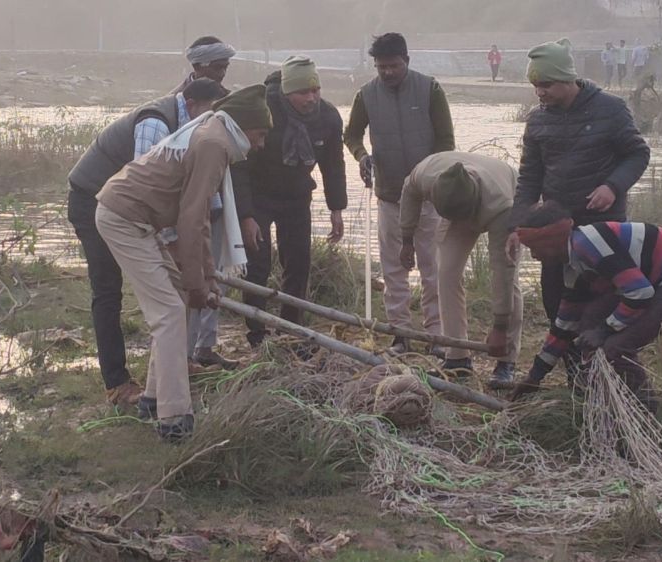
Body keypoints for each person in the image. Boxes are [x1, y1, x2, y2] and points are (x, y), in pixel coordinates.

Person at [94, 85, 272, 441]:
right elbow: (191, 219)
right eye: (261, 135)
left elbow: (199, 216)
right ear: (246, 126)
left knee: (177, 303)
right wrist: (197, 285)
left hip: (140, 219)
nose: (261, 144)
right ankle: (175, 418)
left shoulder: (215, 133)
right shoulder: (214, 144)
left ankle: (152, 398)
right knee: (170, 312)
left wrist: (206, 277)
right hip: (123, 218)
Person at [66, 78, 225, 408]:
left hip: (130, 208)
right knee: (108, 290)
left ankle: (171, 366)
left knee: (173, 291)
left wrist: (198, 263)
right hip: (96, 202)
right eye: (210, 113)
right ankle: (117, 384)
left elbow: (195, 203)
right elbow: (146, 191)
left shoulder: (196, 132)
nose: (213, 123)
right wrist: (173, 244)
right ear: (192, 105)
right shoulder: (157, 122)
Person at [509, 201, 662, 412]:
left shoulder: (588, 246)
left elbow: (641, 293)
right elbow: (565, 325)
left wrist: (605, 330)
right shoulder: (573, 263)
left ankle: (645, 411)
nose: (534, 256)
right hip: (651, 280)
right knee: (589, 319)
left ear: (551, 241)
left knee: (617, 347)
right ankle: (603, 398)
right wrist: (535, 375)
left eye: (534, 248)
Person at [507, 38, 650, 325]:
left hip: (603, 225)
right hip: (555, 230)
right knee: (555, 304)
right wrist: (516, 227)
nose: (539, 92)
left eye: (546, 85)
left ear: (567, 79)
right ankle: (567, 354)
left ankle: (602, 353)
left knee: (601, 305)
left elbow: (637, 153)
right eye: (535, 85)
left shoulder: (611, 109)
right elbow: (529, 178)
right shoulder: (537, 120)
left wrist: (613, 186)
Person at [344, 32, 456, 356]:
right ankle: (400, 335)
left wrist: (432, 176)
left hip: (429, 198)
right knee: (393, 269)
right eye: (381, 67)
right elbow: (351, 134)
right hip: (389, 195)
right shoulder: (366, 94)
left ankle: (437, 337)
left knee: (433, 268)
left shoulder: (430, 89)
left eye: (393, 65)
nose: (388, 72)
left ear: (406, 60)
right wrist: (361, 156)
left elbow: (446, 141)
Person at [233, 56, 348, 347]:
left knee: (298, 263)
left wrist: (336, 208)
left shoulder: (328, 117)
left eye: (316, 90)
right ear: (286, 92)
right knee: (258, 264)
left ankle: (291, 328)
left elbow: (333, 165)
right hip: (259, 195)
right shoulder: (263, 112)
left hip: (297, 196)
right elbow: (239, 166)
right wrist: (245, 215)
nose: (311, 99)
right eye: (303, 92)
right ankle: (257, 332)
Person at [399, 152, 522, 388]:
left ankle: (506, 361)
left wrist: (500, 326)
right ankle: (457, 358)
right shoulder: (426, 176)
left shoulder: (501, 204)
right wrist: (407, 239)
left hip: (503, 200)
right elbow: (409, 191)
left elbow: (502, 271)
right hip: (461, 203)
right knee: (446, 272)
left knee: (509, 278)